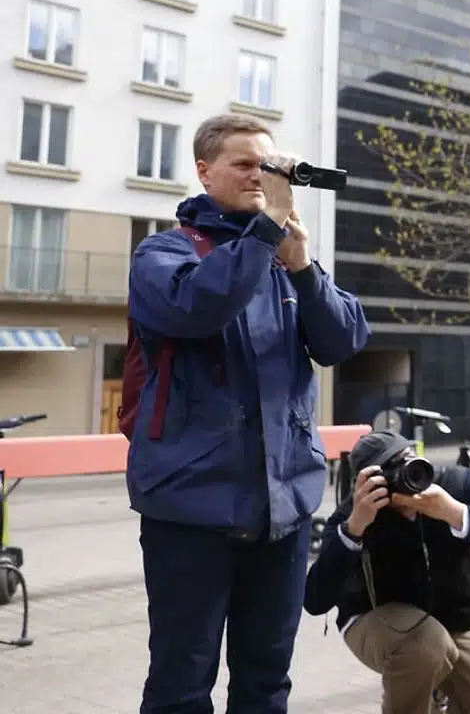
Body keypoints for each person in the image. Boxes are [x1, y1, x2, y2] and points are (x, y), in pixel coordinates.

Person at [127, 113, 371, 712]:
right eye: (244, 164)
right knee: (182, 686)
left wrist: (306, 268)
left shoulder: (282, 260)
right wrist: (264, 232)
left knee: (266, 682)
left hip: (281, 513)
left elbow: (344, 342)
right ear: (204, 171)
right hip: (191, 508)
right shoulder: (164, 252)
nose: (260, 176)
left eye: (267, 164)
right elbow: (196, 305)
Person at [303, 430, 470, 714]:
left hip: (453, 621)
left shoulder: (456, 486)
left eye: (411, 466)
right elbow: (315, 600)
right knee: (426, 647)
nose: (407, 481)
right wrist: (355, 528)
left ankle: (438, 692)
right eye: (392, 475)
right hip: (375, 619)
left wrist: (453, 512)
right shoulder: (357, 511)